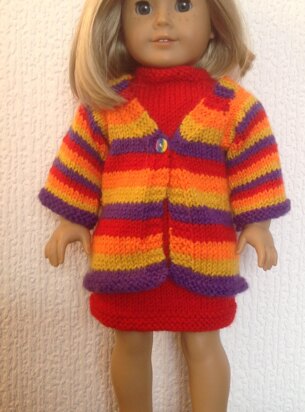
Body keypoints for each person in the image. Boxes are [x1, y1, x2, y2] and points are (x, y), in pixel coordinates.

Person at [38, 1, 291, 411]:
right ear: (118, 24)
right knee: (130, 341)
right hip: (124, 259)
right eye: (142, 7)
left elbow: (254, 164)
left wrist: (258, 224)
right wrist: (71, 219)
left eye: (183, 5)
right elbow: (81, 161)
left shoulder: (233, 107)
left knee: (204, 342)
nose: (161, 20)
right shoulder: (108, 105)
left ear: (215, 22)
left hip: (205, 260)